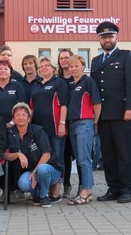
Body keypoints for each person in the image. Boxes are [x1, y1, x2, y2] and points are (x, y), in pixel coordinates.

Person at [91, 22, 131, 203]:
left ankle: (127, 189)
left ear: (116, 38)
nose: (107, 40)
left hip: (122, 114)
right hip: (103, 116)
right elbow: (94, 91)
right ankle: (113, 187)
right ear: (99, 39)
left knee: (124, 152)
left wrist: (129, 108)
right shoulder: (96, 61)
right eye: (103, 37)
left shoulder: (126, 56)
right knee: (107, 154)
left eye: (110, 36)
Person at [4, 102, 63, 208]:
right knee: (23, 184)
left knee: (42, 169)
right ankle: (36, 196)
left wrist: (35, 172)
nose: (20, 117)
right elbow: (4, 155)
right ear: (13, 118)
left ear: (29, 118)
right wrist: (18, 154)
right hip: (28, 171)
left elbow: (47, 154)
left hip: (48, 169)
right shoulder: (9, 133)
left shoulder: (38, 130)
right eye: (17, 115)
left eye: (23, 114)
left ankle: (44, 196)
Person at [0, 60, 26, 200]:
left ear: (10, 71)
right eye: (0, 69)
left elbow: (22, 106)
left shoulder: (17, 86)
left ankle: (16, 188)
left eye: (6, 69)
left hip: (14, 127)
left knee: (15, 156)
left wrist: (12, 122)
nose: (3, 71)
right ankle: (2, 188)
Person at [31, 56, 68, 202]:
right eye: (41, 66)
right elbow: (32, 107)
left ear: (53, 68)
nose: (43, 68)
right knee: (43, 159)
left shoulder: (59, 82)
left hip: (55, 128)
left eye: (47, 65)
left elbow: (64, 104)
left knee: (57, 158)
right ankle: (43, 189)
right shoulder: (36, 84)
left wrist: (62, 123)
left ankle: (56, 191)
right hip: (39, 130)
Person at [67, 55, 101, 205]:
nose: (73, 69)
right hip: (72, 125)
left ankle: (86, 190)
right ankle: (86, 191)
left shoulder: (88, 81)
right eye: (71, 66)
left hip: (84, 124)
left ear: (83, 66)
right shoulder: (71, 84)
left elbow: (97, 103)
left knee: (84, 159)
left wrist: (94, 122)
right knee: (80, 159)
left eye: (76, 66)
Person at [57, 49, 75, 198]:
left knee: (71, 154)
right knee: (62, 154)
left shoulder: (78, 79)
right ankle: (63, 183)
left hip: (75, 121)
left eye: (67, 58)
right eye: (61, 58)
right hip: (60, 123)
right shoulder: (57, 79)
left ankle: (76, 185)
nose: (64, 60)